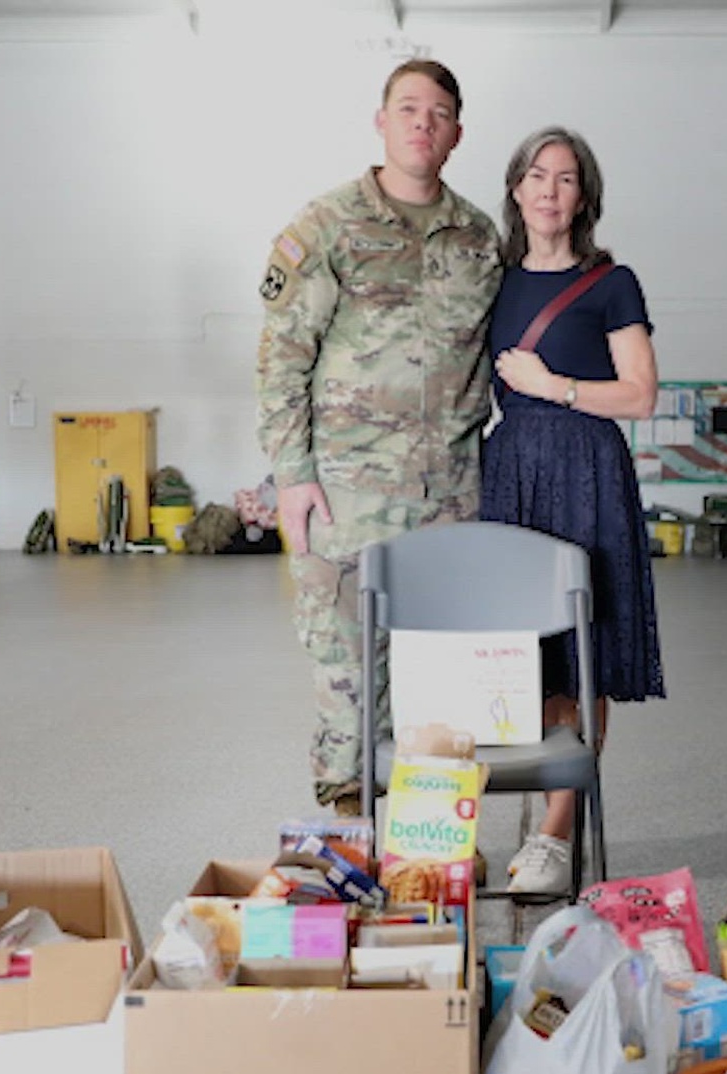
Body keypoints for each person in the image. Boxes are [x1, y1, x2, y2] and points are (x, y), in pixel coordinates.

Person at [255, 60, 503, 813]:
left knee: (446, 677)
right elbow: (281, 356)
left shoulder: (479, 237)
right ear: (381, 121)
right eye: (407, 108)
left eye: (438, 112)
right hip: (346, 497)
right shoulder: (327, 226)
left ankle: (434, 842)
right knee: (348, 676)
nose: (422, 122)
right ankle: (350, 834)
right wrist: (291, 475)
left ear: (457, 132)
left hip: (452, 498)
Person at [481, 126, 665, 895]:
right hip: (512, 468)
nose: (549, 189)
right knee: (525, 647)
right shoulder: (490, 277)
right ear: (516, 189)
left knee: (584, 640)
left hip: (587, 465)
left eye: (565, 178)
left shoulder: (611, 281)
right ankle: (526, 805)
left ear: (583, 194)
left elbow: (641, 394)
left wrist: (550, 383)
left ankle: (555, 833)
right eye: (536, 175)